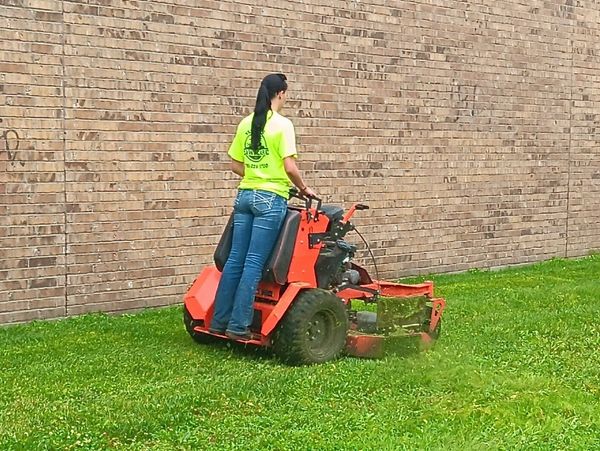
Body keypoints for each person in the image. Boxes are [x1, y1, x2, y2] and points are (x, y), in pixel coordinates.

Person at [209, 73, 316, 340]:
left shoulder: (246, 123)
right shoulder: (282, 125)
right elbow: (289, 166)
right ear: (281, 93)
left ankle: (219, 322)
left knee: (235, 259)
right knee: (254, 262)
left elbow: (235, 164)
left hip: (245, 196)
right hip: (270, 199)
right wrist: (304, 188)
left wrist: (256, 174)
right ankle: (238, 326)